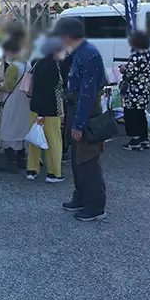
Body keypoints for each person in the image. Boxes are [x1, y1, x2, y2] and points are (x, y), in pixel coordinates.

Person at [55, 17, 108, 222]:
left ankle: (95, 206)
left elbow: (87, 94)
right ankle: (81, 197)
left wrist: (78, 124)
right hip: (76, 109)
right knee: (78, 160)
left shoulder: (88, 55)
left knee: (87, 161)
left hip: (86, 114)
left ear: (66, 36)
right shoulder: (79, 52)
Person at [26, 44, 65, 183]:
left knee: (35, 139)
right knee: (54, 142)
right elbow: (46, 91)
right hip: (49, 111)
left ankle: (32, 169)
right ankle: (53, 173)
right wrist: (42, 114)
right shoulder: (51, 67)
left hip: (35, 109)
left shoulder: (38, 62)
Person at [0, 38, 31, 172]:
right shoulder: (27, 64)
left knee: (8, 130)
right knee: (21, 130)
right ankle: (21, 160)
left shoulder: (13, 67)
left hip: (13, 101)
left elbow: (8, 88)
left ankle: (10, 161)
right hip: (24, 101)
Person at [120, 31, 150, 151]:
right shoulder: (149, 54)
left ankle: (135, 139)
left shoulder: (136, 55)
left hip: (134, 89)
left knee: (131, 113)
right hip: (144, 88)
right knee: (141, 113)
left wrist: (123, 69)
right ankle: (144, 138)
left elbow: (130, 71)